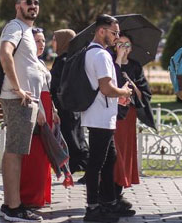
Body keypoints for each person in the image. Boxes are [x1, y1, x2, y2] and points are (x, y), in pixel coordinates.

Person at [0, 0, 45, 222]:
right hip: (17, 99)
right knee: (14, 152)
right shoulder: (15, 27)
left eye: (35, 2)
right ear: (18, 6)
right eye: (28, 2)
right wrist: (17, 88)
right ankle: (13, 208)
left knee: (16, 151)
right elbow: (4, 53)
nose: (33, 6)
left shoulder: (27, 29)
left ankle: (13, 203)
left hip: (26, 100)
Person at [81, 14, 135, 223]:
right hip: (100, 117)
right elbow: (106, 87)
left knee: (109, 158)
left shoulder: (93, 52)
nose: (117, 37)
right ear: (101, 31)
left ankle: (108, 201)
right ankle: (93, 207)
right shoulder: (101, 56)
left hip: (102, 114)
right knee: (96, 163)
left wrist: (117, 96)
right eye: (114, 33)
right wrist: (123, 92)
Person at [112, 34, 155, 205]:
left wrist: (133, 88)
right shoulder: (108, 63)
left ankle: (119, 190)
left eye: (127, 44)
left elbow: (145, 94)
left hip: (128, 116)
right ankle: (109, 191)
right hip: (111, 114)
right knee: (113, 153)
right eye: (120, 44)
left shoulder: (136, 66)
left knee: (125, 152)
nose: (123, 47)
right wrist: (118, 61)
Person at [19, 27, 58, 209]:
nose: (41, 44)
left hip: (47, 108)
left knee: (45, 154)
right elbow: (32, 89)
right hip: (37, 109)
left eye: (43, 41)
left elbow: (47, 88)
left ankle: (42, 194)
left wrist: (54, 110)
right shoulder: (27, 63)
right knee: (35, 154)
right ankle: (30, 196)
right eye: (37, 41)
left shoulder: (40, 62)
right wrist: (40, 110)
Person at [49, 28, 88, 176]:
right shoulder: (68, 59)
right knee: (74, 139)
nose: (52, 42)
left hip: (65, 109)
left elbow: (60, 85)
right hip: (69, 108)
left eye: (55, 39)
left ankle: (92, 171)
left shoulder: (64, 61)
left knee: (74, 142)